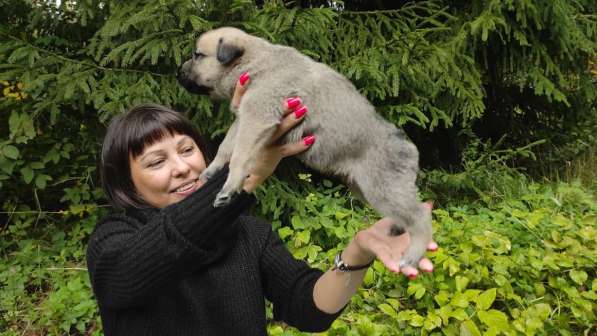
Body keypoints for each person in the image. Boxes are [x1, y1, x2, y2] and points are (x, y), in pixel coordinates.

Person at [87, 73, 437, 335]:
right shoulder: (114, 240)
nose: (181, 168)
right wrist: (246, 173)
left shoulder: (249, 235)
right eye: (155, 162)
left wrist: (357, 253)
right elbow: (143, 264)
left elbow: (309, 308)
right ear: (126, 181)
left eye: (186, 149)